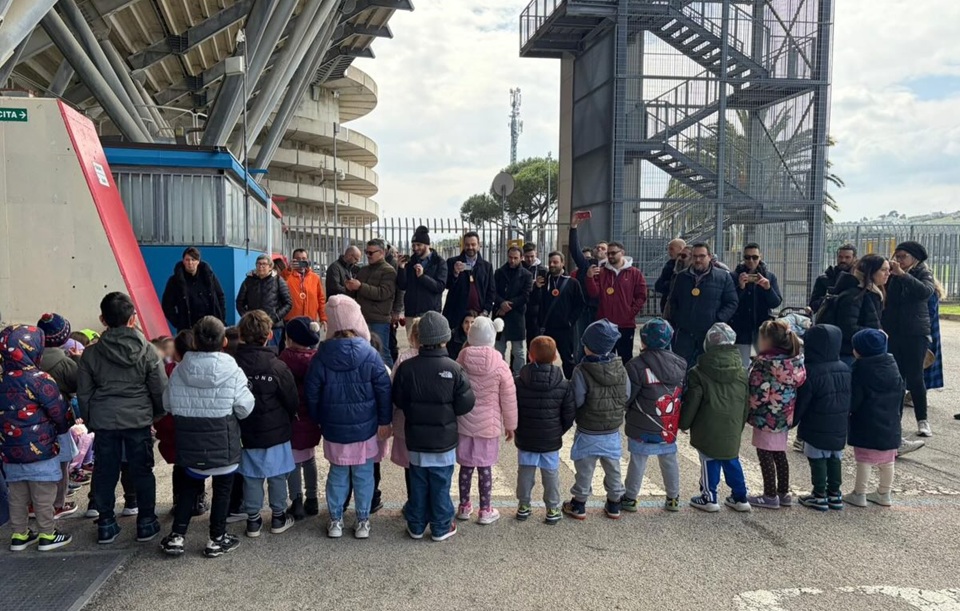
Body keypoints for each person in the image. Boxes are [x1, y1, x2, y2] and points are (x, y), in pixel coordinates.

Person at [159, 317, 255, 557]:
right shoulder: (233, 371)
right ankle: (217, 539)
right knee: (222, 491)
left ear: (195, 341)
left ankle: (177, 536)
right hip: (224, 445)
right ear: (224, 341)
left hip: (190, 446)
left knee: (189, 487)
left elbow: (167, 404)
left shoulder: (180, 370)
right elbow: (244, 408)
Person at [78, 292, 167, 544]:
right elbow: (159, 389)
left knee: (105, 471)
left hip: (104, 420)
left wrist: (91, 419)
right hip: (138, 420)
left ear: (102, 319)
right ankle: (146, 522)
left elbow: (84, 393)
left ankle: (106, 524)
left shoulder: (91, 354)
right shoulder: (148, 350)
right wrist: (155, 415)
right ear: (132, 319)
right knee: (143, 471)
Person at [306, 296, 392, 539]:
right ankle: (362, 520)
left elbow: (311, 392)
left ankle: (336, 520)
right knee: (364, 475)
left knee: (338, 474)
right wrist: (384, 421)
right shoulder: (370, 354)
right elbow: (384, 391)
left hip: (334, 429)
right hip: (366, 429)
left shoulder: (321, 356)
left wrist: (318, 418)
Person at [392, 311, 476, 541]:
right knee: (440, 484)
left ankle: (416, 525)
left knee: (418, 483)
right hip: (443, 441)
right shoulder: (454, 368)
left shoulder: (407, 368)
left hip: (416, 439)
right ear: (445, 339)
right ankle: (441, 526)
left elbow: (398, 399)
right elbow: (465, 404)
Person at [1, 324, 74, 552]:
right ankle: (47, 535)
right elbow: (58, 411)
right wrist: (65, 426)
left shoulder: (1, 379)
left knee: (17, 496)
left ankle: (19, 535)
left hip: (10, 452)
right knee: (43, 494)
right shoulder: (40, 379)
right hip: (40, 450)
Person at [233, 310, 298, 538]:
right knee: (277, 475)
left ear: (241, 334)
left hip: (246, 431)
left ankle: (253, 520)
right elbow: (291, 399)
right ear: (269, 335)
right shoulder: (277, 366)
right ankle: (278, 516)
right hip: (276, 431)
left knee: (251, 477)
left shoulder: (234, 365)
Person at [679, 323, 751, 513]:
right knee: (731, 458)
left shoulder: (698, 371)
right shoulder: (742, 371)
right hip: (732, 424)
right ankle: (740, 497)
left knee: (709, 458)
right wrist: (740, 424)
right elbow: (746, 403)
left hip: (707, 424)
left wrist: (684, 423)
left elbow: (693, 401)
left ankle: (709, 496)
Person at [562, 319, 629, 520]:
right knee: (613, 467)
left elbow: (578, 399)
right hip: (612, 429)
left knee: (585, 468)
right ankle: (614, 502)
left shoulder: (582, 370)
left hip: (588, 429)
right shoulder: (621, 368)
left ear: (588, 346)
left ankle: (579, 503)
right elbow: (626, 393)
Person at [455, 317, 518, 525]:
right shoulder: (499, 363)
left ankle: (464, 506)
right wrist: (511, 425)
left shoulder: (462, 358)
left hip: (464, 422)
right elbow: (508, 396)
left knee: (466, 466)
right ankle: (485, 509)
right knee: (485, 468)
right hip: (488, 426)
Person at [622, 318, 686, 513]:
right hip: (668, 424)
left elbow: (628, 395)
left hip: (641, 423)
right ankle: (673, 497)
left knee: (638, 460)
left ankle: (630, 498)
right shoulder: (680, 364)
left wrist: (626, 408)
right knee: (669, 459)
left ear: (644, 341)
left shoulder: (636, 365)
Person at [514, 336, 575, 525]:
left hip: (526, 437)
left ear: (530, 356)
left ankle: (524, 505)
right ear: (556, 356)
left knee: (525, 473)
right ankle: (552, 508)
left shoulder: (519, 382)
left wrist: (517, 428)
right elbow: (569, 413)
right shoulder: (563, 384)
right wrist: (558, 430)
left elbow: (513, 409)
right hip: (551, 438)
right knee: (550, 474)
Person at [746, 320, 806, 509]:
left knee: (764, 454)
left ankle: (770, 495)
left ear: (768, 341)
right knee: (779, 453)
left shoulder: (765, 365)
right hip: (784, 416)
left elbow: (758, 393)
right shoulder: (793, 364)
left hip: (765, 416)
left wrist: (748, 408)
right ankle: (783, 492)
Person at [793, 325, 851, 512]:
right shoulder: (845, 368)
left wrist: (793, 420)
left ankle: (819, 495)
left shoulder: (810, 371)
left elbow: (803, 401)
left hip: (816, 423)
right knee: (835, 457)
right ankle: (835, 493)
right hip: (839, 423)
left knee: (817, 458)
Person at [882, 241, 936, 441]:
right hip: (894, 331)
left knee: (915, 376)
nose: (899, 260)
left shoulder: (922, 273)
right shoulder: (892, 274)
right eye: (897, 256)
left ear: (914, 258)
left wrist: (903, 275)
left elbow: (925, 292)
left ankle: (922, 419)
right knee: (897, 377)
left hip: (915, 332)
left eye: (903, 256)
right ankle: (895, 419)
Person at [845, 329, 904, 508]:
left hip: (866, 422)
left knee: (864, 459)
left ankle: (859, 493)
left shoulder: (860, 369)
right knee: (888, 461)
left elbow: (855, 399)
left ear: (860, 351)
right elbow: (901, 393)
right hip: (891, 421)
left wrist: (848, 411)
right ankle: (884, 493)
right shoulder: (892, 366)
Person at [35, 313, 81, 517]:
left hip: (32, 420)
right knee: (62, 460)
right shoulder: (64, 363)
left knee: (37, 463)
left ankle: (34, 504)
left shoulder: (29, 358)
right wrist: (78, 360)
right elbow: (78, 384)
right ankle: (57, 504)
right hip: (57, 418)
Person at [279, 317, 323, 520]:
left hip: (291, 419)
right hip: (311, 418)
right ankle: (312, 499)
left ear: (289, 339)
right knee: (310, 458)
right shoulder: (316, 360)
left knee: (294, 462)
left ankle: (296, 501)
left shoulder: (284, 359)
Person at [668, 243, 739, 368]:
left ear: (709, 256)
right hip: (685, 335)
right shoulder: (681, 277)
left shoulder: (723, 277)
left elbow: (732, 302)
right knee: (682, 369)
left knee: (708, 369)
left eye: (702, 256)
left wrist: (718, 320)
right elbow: (673, 301)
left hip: (710, 335)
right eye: (695, 256)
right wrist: (679, 318)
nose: (698, 260)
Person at [585, 241, 647, 363]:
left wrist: (630, 313)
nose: (610, 256)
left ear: (622, 253)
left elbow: (641, 296)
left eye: (613, 253)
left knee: (626, 358)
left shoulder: (635, 273)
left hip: (625, 325)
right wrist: (589, 278)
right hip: (605, 325)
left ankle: (626, 377)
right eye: (608, 253)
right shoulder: (601, 272)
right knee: (605, 358)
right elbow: (594, 294)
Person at [532, 251, 585, 378]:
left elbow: (580, 304)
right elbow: (534, 302)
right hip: (546, 328)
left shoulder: (573, 283)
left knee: (568, 360)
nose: (552, 265)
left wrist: (570, 321)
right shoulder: (543, 282)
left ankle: (571, 384)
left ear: (562, 263)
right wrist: (537, 288)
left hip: (565, 329)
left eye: (555, 262)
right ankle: (545, 383)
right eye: (550, 262)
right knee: (544, 359)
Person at [346, 239, 397, 368]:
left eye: (371, 253)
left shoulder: (389, 271)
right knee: (362, 352)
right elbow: (357, 293)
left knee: (382, 353)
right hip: (362, 318)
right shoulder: (363, 270)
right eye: (366, 252)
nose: (368, 255)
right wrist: (350, 287)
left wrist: (360, 286)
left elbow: (383, 293)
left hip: (379, 319)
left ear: (382, 252)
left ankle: (389, 377)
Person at [730, 243, 783, 366]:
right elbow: (730, 302)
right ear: (743, 258)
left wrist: (768, 289)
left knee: (761, 367)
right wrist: (740, 288)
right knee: (742, 367)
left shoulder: (769, 276)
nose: (751, 261)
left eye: (755, 257)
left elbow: (776, 303)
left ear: (760, 257)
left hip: (762, 330)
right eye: (747, 257)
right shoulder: (734, 276)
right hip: (741, 330)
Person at [827, 254, 885, 366]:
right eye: (883, 270)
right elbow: (848, 328)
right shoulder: (853, 295)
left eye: (888, 269)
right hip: (849, 352)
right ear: (870, 272)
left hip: (863, 350)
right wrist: (874, 333)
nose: (888, 273)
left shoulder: (874, 293)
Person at [568, 215, 608, 361]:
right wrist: (573, 228)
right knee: (582, 343)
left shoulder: (613, 268)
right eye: (597, 247)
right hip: (585, 310)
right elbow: (575, 250)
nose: (599, 249)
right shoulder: (587, 264)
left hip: (604, 311)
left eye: (603, 248)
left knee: (601, 344)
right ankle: (580, 369)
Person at [390, 319, 422, 497]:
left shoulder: (404, 359)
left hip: (405, 421)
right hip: (429, 424)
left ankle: (412, 500)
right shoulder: (439, 358)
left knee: (409, 467)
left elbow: (393, 389)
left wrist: (389, 418)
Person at [161, 247, 226, 333]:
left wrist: (220, 319)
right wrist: (178, 322)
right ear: (183, 261)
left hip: (210, 326)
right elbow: (167, 305)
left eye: (193, 260)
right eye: (187, 260)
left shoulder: (209, 277)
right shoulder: (175, 281)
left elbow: (220, 296)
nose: (190, 263)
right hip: (188, 328)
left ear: (198, 261)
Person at [443, 232, 496, 333]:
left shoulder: (487, 266)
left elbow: (491, 291)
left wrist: (485, 311)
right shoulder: (452, 262)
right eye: (467, 245)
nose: (470, 247)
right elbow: (447, 285)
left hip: (479, 316)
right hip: (456, 315)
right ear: (463, 245)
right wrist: (455, 273)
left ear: (479, 245)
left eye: (473, 244)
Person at [236, 255, 293, 348]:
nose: (260, 266)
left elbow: (288, 303)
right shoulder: (248, 281)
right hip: (253, 328)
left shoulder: (278, 280)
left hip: (273, 327)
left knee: (273, 352)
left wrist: (275, 317)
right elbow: (239, 302)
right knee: (252, 351)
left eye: (264, 264)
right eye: (258, 264)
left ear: (270, 267)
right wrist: (247, 318)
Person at [494, 246, 533, 375]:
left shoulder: (526, 275)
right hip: (500, 316)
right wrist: (501, 303)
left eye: (515, 258)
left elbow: (526, 296)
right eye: (510, 257)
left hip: (517, 316)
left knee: (519, 351)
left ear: (521, 258)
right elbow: (493, 291)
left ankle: (519, 376)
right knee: (499, 350)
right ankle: (500, 374)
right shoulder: (499, 272)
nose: (512, 260)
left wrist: (507, 306)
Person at [397, 226, 448, 322]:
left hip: (430, 314)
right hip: (411, 313)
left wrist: (422, 277)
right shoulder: (410, 261)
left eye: (418, 245)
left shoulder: (439, 262)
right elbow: (402, 286)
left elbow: (440, 287)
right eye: (413, 245)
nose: (415, 248)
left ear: (427, 245)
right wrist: (401, 268)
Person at [282, 249, 328, 329]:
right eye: (298, 259)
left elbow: (321, 299)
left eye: (303, 259)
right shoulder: (287, 276)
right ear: (293, 260)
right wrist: (288, 270)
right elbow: (280, 281)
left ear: (307, 260)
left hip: (310, 320)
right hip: (291, 320)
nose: (301, 261)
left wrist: (323, 318)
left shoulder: (315, 277)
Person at [809, 244, 857, 312]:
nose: (843, 260)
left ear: (855, 258)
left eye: (847, 257)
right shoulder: (824, 279)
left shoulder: (858, 280)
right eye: (840, 257)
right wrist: (829, 299)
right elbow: (813, 305)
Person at [922, 278, 944, 403]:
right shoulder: (931, 287)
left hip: (926, 330)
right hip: (928, 328)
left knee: (926, 361)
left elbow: (930, 312)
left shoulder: (929, 290)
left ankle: (919, 393)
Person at [521, 243, 547, 347]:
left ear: (536, 254)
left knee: (533, 341)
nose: (530, 259)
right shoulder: (519, 267)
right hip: (521, 306)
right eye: (527, 257)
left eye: (532, 256)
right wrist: (532, 284)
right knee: (518, 341)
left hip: (536, 309)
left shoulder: (542, 270)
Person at [654, 239, 686, 313]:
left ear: (681, 249)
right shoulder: (670, 264)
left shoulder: (687, 266)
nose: (669, 252)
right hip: (667, 304)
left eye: (671, 249)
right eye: (668, 249)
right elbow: (658, 286)